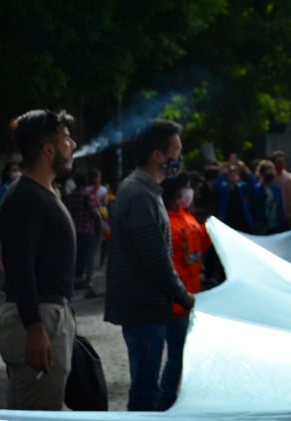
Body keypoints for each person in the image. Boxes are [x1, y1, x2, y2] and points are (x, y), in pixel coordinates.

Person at [103, 119, 196, 411]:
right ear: (158, 156)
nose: (179, 159)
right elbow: (156, 261)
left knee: (147, 388)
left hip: (146, 307)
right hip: (143, 308)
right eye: (176, 151)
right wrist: (184, 296)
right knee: (145, 392)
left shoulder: (144, 190)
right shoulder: (141, 194)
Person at [0, 109, 78, 410]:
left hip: (47, 317)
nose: (73, 145)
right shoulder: (25, 197)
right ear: (48, 150)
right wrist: (34, 328)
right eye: (66, 139)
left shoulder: (41, 193)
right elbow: (20, 268)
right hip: (39, 320)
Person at [160, 173, 209, 410]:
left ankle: (171, 397)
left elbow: (199, 246)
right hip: (177, 302)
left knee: (183, 355)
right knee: (177, 355)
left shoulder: (187, 217)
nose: (190, 192)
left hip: (191, 298)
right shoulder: (167, 222)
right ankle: (166, 400)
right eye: (185, 187)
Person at [62, 170, 103, 293]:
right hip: (87, 230)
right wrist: (99, 226)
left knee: (75, 256)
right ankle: (87, 280)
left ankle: (74, 280)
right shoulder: (87, 196)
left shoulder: (69, 197)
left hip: (73, 231)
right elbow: (94, 213)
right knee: (89, 256)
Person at [248, 159, 286, 234]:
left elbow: (280, 206)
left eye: (272, 170)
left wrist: (283, 222)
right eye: (269, 170)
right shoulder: (257, 189)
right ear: (263, 172)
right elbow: (254, 207)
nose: (271, 172)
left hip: (276, 227)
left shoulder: (276, 189)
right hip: (261, 227)